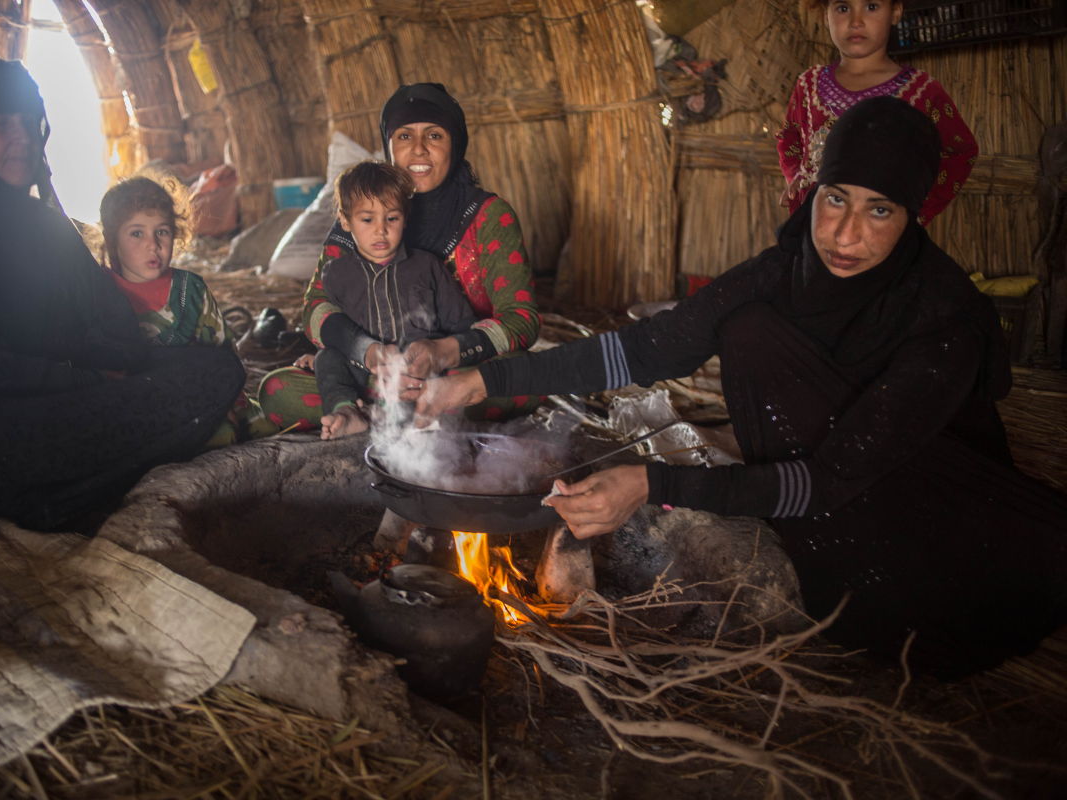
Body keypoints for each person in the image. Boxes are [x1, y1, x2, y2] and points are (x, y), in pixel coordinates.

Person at [417, 97, 1067, 677]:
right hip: (823, 476)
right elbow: (646, 347)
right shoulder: (788, 269)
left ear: (911, 216)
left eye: (880, 210)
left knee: (922, 623)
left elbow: (831, 479)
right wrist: (483, 379)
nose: (845, 234)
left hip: (930, 501)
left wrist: (653, 483)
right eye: (836, 197)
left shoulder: (942, 318)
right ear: (814, 190)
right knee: (750, 327)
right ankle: (793, 523)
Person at [0, 58, 246, 531]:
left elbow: (111, 323)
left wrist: (106, 363)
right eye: (2, 123)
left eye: (30, 122)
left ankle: (65, 494)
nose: (22, 137)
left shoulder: (44, 225)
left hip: (71, 405)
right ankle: (66, 491)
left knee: (215, 370)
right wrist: (78, 374)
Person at [257, 83, 541, 431]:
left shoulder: (487, 215)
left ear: (456, 143)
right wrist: (364, 351)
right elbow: (316, 307)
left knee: (527, 379)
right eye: (404, 136)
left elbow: (522, 320)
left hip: (458, 371)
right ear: (389, 146)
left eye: (434, 135)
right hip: (373, 370)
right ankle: (377, 410)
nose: (419, 150)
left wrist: (446, 351)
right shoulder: (362, 212)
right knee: (278, 391)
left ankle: (368, 413)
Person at [99, 175, 274, 445]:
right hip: (130, 406)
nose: (153, 244)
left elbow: (223, 356)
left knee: (243, 424)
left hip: (193, 397)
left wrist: (225, 400)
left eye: (162, 231)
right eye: (137, 233)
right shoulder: (97, 291)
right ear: (112, 240)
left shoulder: (190, 291)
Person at [313, 160, 477, 439]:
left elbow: (463, 327)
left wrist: (438, 356)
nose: (381, 230)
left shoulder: (427, 266)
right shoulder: (336, 274)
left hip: (423, 373)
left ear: (406, 216)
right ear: (345, 220)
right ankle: (348, 411)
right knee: (326, 359)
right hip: (368, 374)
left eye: (392, 218)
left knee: (476, 374)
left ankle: (412, 414)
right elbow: (333, 328)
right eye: (367, 219)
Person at [776, 0, 978, 226]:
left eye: (871, 7)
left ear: (895, 12)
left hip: (882, 235)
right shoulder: (808, 85)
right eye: (843, 8)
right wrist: (795, 176)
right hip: (813, 229)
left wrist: (920, 210)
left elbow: (960, 151)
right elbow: (789, 137)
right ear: (825, 15)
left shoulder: (922, 92)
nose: (856, 22)